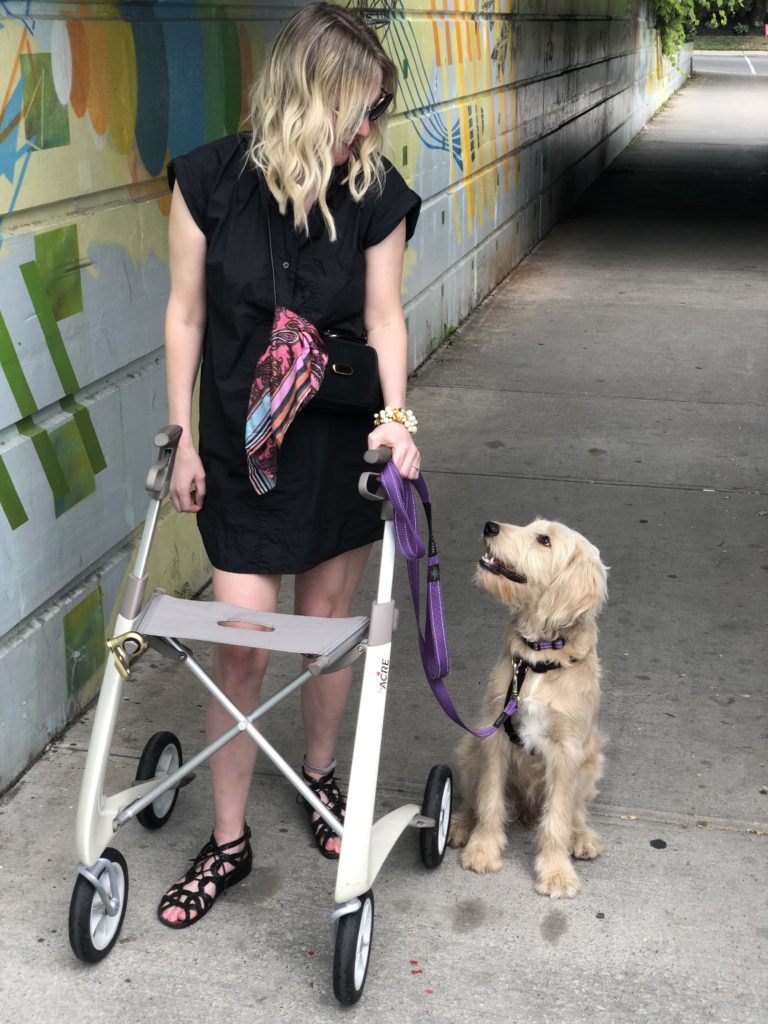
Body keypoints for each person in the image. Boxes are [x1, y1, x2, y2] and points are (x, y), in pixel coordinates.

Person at [158, 2, 422, 928]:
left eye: (379, 111)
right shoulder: (206, 183)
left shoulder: (375, 192)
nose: (369, 128)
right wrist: (182, 434)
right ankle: (227, 841)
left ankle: (319, 782)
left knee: (328, 624)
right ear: (313, 94)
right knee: (243, 641)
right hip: (237, 442)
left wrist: (396, 419)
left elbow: (384, 317)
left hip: (335, 441)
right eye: (361, 108)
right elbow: (187, 314)